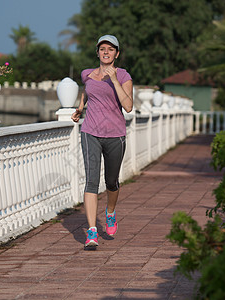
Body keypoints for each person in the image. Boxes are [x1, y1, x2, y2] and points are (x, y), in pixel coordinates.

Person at [71, 35, 133, 250]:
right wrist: (80, 109)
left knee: (112, 182)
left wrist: (114, 79)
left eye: (110, 49)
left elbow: (128, 106)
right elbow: (86, 92)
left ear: (117, 53)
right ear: (97, 52)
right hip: (90, 132)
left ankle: (110, 212)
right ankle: (91, 232)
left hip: (115, 135)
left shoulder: (124, 75)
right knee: (91, 181)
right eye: (102, 49)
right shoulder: (87, 74)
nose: (106, 52)